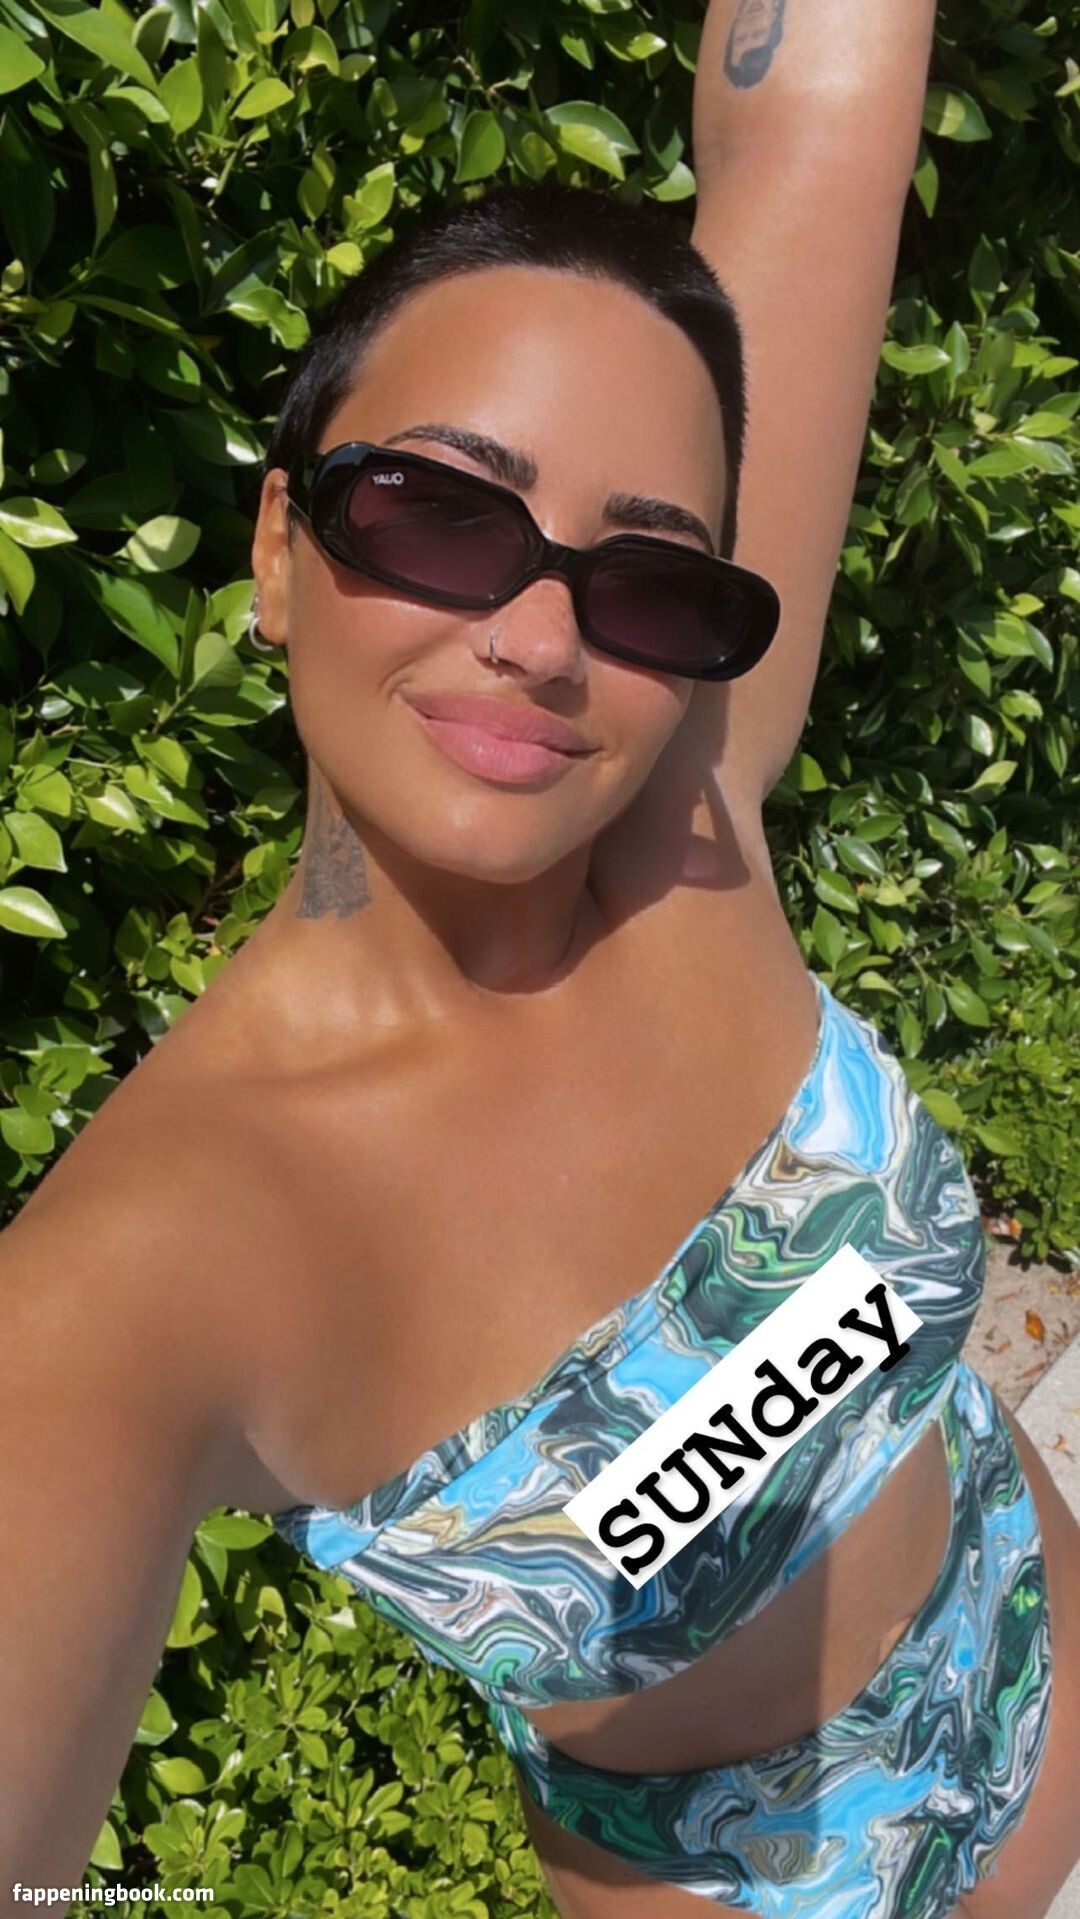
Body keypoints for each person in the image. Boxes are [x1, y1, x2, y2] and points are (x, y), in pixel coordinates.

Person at [2, 1, 1078, 1915]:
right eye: (436, 510)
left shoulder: (687, 821)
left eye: (648, 573)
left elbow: (819, 107)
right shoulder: (149, 1271)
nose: (544, 636)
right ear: (277, 544)